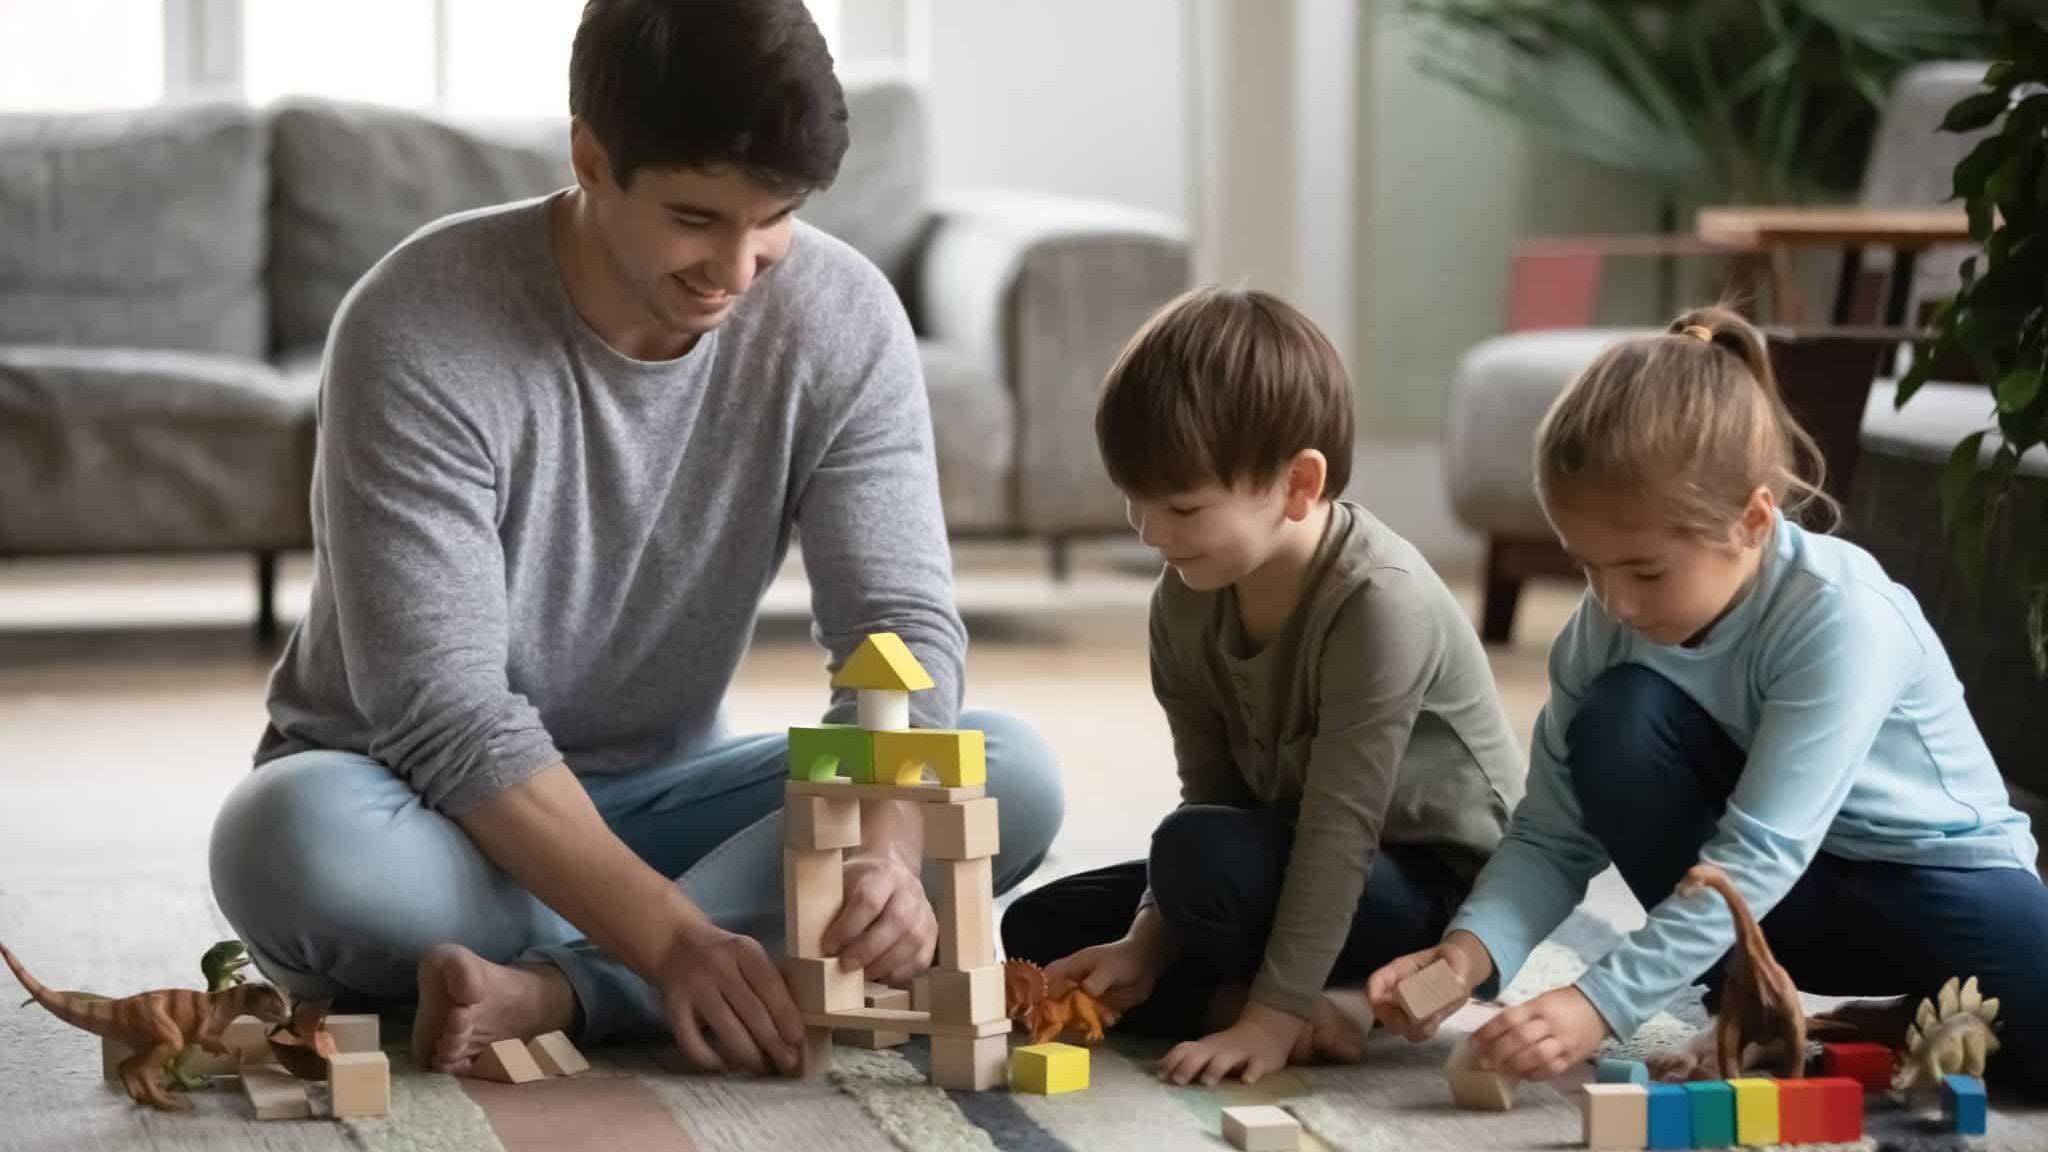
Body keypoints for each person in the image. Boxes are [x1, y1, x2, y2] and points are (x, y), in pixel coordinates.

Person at [207, 0, 1062, 1079]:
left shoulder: (840, 316)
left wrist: (882, 847)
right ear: (590, 157)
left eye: (775, 219)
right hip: (419, 808)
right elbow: (445, 715)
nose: (738, 269)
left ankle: (562, 991)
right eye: (696, 219)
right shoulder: (418, 323)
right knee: (287, 843)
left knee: (1004, 773)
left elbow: (897, 626)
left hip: (670, 797)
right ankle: (696, 951)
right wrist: (672, 937)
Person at [1366, 306, 2048, 1092]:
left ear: (1753, 521)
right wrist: (1464, 954)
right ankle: (1750, 997)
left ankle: (1865, 1018)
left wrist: (1601, 1003)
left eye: (1645, 572)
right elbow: (1554, 834)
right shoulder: (1605, 628)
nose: (1614, 602)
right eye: (1589, 567)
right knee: (1617, 722)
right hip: (1768, 907)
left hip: (1931, 882)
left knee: (2039, 1034)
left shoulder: (1840, 617)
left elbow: (1763, 852)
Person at [1001, 287, 1526, 1086]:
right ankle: (1312, 999)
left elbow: (1338, 832)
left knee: (1195, 858)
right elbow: (1212, 798)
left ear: (1298, 485)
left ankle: (1292, 1002)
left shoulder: (1378, 602)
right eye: (1134, 502)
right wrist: (1142, 945)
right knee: (1043, 925)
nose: (1149, 532)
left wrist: (1268, 1025)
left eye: (1181, 505)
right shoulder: (1184, 598)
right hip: (1287, 851)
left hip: (1434, 887)